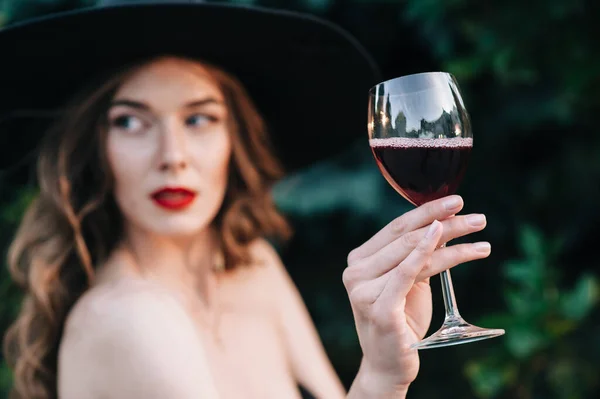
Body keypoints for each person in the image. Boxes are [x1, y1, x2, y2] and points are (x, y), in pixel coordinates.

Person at [0, 1, 492, 398]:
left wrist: (383, 365)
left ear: (235, 141)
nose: (172, 156)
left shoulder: (247, 263)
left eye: (199, 119)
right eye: (130, 121)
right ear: (94, 151)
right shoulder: (129, 319)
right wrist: (382, 381)